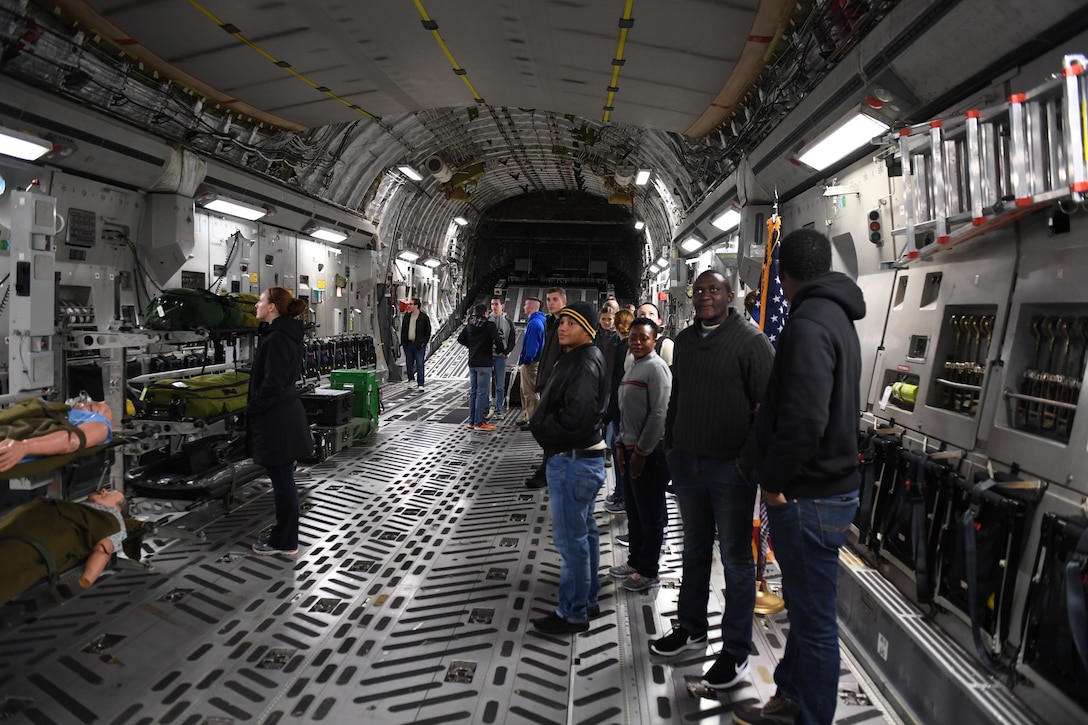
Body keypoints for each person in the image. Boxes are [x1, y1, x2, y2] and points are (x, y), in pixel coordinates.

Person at [736, 230, 865, 725]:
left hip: (807, 494)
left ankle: (810, 715)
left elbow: (806, 418)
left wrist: (773, 479)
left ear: (783, 274)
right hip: (826, 488)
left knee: (813, 623)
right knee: (806, 608)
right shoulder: (836, 316)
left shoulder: (808, 323)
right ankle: (790, 697)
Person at [649, 270, 774, 693]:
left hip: (729, 470)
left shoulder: (752, 342)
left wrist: (745, 462)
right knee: (695, 550)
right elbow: (679, 395)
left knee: (737, 561)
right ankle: (692, 627)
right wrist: (672, 445)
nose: (705, 296)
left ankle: (735, 650)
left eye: (714, 290)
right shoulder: (683, 342)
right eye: (699, 290)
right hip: (688, 464)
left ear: (730, 295)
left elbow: (768, 410)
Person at [528, 301, 609, 633]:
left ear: (587, 330)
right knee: (585, 532)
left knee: (571, 540)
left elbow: (577, 419)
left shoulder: (584, 363)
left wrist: (544, 430)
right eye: (561, 321)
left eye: (571, 323)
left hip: (572, 461)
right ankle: (587, 598)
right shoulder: (581, 357)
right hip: (581, 460)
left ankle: (572, 613)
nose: (562, 327)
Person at [249, 287, 313, 557]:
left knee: (283, 481)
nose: (256, 306)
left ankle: (285, 541)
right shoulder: (287, 334)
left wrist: (254, 407)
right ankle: (284, 536)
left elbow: (272, 382)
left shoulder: (276, 338)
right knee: (284, 478)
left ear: (272, 307)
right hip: (285, 413)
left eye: (260, 301)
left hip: (277, 417)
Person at [611, 318, 672, 592]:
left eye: (643, 338)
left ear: (654, 340)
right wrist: (622, 444)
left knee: (650, 515)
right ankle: (635, 560)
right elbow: (628, 413)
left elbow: (659, 414)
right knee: (635, 513)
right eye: (633, 337)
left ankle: (648, 570)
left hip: (651, 453)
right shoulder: (634, 367)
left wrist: (642, 451)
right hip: (631, 448)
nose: (637, 342)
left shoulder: (657, 369)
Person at [0, 488, 131, 605]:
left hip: (36, 542)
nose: (103, 490)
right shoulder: (74, 506)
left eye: (111, 493)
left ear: (118, 507)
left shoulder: (114, 520)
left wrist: (86, 580)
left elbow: (103, 550)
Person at [0, 394, 113, 473]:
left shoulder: (102, 424)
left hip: (14, 441)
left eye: (89, 403)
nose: (81, 402)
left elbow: (72, 440)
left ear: (98, 412)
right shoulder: (63, 412)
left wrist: (24, 447)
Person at [524, 287, 567, 489]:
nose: (550, 303)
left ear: (564, 302)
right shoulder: (551, 323)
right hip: (548, 381)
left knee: (551, 429)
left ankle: (548, 470)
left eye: (555, 299)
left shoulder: (565, 325)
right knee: (548, 428)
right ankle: (548, 465)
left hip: (556, 385)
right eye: (548, 299)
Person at [604, 308, 635, 518]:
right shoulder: (632, 348)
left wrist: (607, 415)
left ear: (616, 326)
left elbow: (617, 386)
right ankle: (621, 494)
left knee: (619, 454)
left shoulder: (620, 349)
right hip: (631, 410)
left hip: (620, 411)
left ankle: (622, 495)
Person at [458, 303, 504, 431]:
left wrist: (472, 347)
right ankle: (479, 422)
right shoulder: (489, 325)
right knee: (482, 392)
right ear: (485, 313)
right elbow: (498, 341)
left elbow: (460, 339)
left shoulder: (469, 325)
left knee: (473, 391)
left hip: (472, 362)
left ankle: (471, 421)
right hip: (484, 362)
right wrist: (500, 350)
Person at [517, 297, 546, 427]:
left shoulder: (534, 324)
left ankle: (533, 419)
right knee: (527, 391)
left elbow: (532, 346)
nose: (523, 307)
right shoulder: (538, 321)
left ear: (531, 307)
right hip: (534, 361)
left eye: (525, 305)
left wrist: (527, 359)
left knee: (530, 392)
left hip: (531, 363)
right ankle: (528, 416)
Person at [625, 302, 674, 369]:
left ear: (659, 321)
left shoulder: (666, 344)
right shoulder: (632, 344)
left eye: (651, 314)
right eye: (642, 314)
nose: (646, 317)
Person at [489, 296, 517, 419]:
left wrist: (506, 352)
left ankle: (499, 410)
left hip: (500, 357)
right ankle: (485, 408)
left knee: (499, 385)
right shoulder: (487, 320)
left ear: (502, 305)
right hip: (487, 357)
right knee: (485, 384)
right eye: (492, 304)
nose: (494, 307)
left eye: (496, 304)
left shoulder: (508, 322)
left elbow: (512, 340)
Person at [400, 298, 433, 389]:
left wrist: (424, 342)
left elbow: (428, 331)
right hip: (408, 344)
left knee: (419, 363)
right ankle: (411, 380)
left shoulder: (424, 317)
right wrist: (403, 343)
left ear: (416, 306)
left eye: (411, 304)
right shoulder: (407, 317)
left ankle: (420, 384)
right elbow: (403, 330)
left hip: (419, 345)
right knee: (409, 363)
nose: (409, 305)